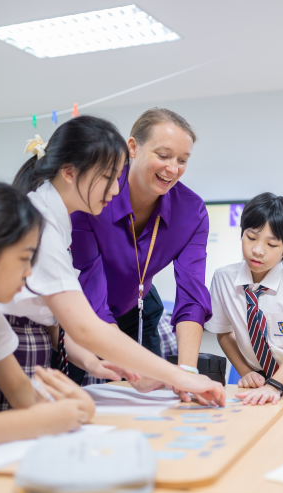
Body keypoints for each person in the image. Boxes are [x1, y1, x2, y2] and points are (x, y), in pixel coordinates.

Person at [1, 116, 226, 411]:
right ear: (69, 172)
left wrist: (183, 371)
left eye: (182, 160)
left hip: (85, 327)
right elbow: (82, 323)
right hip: (33, 341)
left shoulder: (56, 216)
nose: (117, 189)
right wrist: (179, 376)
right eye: (109, 178)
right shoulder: (48, 224)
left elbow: (57, 322)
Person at [0, 181, 97, 455]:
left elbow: (20, 390)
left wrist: (70, 406)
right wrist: (35, 421)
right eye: (24, 259)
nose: (28, 273)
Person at [67, 109, 212, 399]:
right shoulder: (94, 196)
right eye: (163, 155)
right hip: (81, 312)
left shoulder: (191, 212)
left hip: (139, 311)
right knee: (74, 396)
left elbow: (192, 295)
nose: (172, 168)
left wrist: (186, 372)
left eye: (182, 160)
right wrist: (132, 364)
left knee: (154, 399)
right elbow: (92, 287)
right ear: (132, 147)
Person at [203, 193, 283, 406]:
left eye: (271, 244)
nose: (257, 251)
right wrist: (245, 371)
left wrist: (276, 385)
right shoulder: (223, 278)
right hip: (258, 374)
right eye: (251, 238)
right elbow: (223, 332)